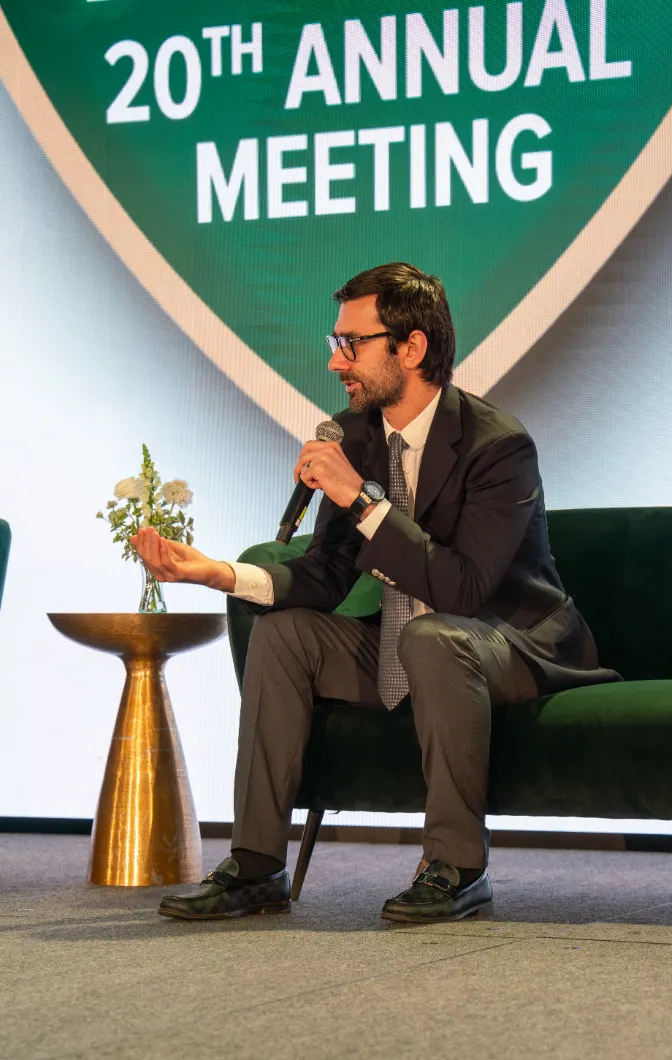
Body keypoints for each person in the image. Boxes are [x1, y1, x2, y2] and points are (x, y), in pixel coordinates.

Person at [134, 262, 620, 924]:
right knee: (283, 633)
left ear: (411, 347)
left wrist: (360, 500)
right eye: (335, 342)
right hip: (409, 643)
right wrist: (219, 573)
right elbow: (327, 574)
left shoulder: (497, 445)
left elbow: (463, 589)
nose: (335, 362)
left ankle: (455, 866)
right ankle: (255, 864)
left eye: (351, 344)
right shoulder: (356, 435)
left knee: (434, 636)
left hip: (510, 642)